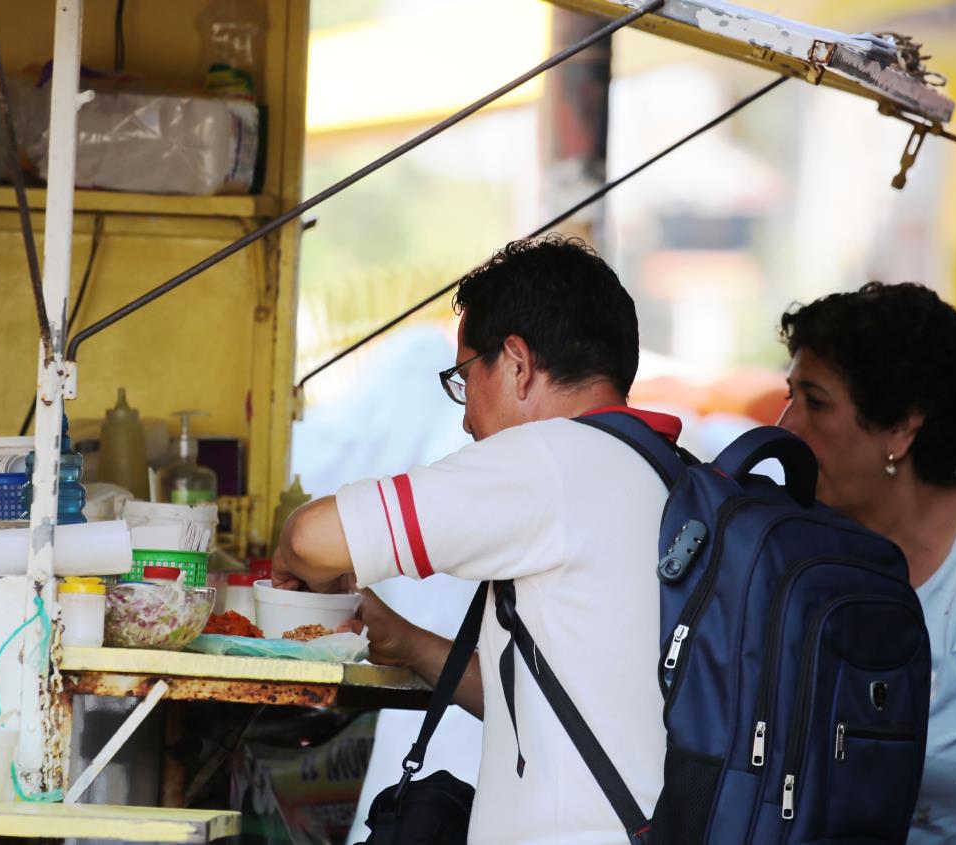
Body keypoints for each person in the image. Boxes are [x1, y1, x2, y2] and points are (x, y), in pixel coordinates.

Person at [273, 234, 676, 845]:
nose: (464, 416)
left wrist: (309, 573)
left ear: (516, 364)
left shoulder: (548, 462)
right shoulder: (664, 470)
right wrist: (405, 641)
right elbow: (535, 706)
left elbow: (310, 537)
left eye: (464, 377)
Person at [778, 282, 956, 845]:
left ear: (902, 427)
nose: (786, 427)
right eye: (789, 396)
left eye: (816, 402)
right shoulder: (797, 550)